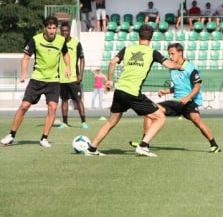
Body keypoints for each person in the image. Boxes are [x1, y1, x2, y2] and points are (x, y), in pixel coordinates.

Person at [85, 24, 183, 157]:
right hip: (132, 93)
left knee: (111, 122)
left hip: (119, 91)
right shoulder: (152, 52)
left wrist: (109, 80)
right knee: (160, 117)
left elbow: (113, 62)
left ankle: (92, 148)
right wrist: (181, 67)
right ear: (151, 38)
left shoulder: (127, 49)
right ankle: (143, 145)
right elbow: (169, 65)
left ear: (138, 36)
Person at [129, 43, 221, 153]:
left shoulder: (191, 68)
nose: (170, 57)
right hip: (176, 102)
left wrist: (187, 97)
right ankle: (144, 142)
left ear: (180, 53)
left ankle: (214, 145)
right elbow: (178, 86)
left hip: (189, 102)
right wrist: (166, 91)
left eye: (172, 54)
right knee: (150, 111)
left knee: (196, 120)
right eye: (169, 54)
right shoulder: (172, 68)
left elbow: (197, 86)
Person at [1, 16, 71, 147]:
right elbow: (26, 57)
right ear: (45, 28)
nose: (52, 31)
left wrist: (68, 67)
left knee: (53, 108)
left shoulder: (61, 40)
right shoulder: (35, 40)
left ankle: (44, 138)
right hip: (37, 79)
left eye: (54, 28)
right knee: (24, 106)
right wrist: (23, 73)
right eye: (49, 28)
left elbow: (65, 54)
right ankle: (11, 135)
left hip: (53, 80)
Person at [58, 21, 88, 129]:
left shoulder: (76, 43)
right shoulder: (57, 43)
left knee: (78, 99)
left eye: (66, 31)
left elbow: (82, 59)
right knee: (64, 100)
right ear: (60, 32)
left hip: (73, 77)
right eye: (62, 31)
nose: (64, 32)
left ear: (69, 31)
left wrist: (80, 74)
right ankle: (65, 122)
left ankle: (83, 122)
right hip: (61, 78)